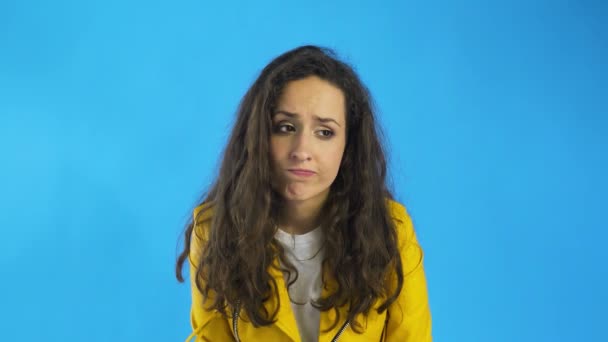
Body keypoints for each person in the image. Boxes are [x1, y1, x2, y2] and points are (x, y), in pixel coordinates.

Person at [175, 45, 432, 341]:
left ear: (348, 147)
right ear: (258, 137)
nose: (302, 151)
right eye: (285, 127)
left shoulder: (391, 231)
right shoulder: (213, 230)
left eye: (325, 132)